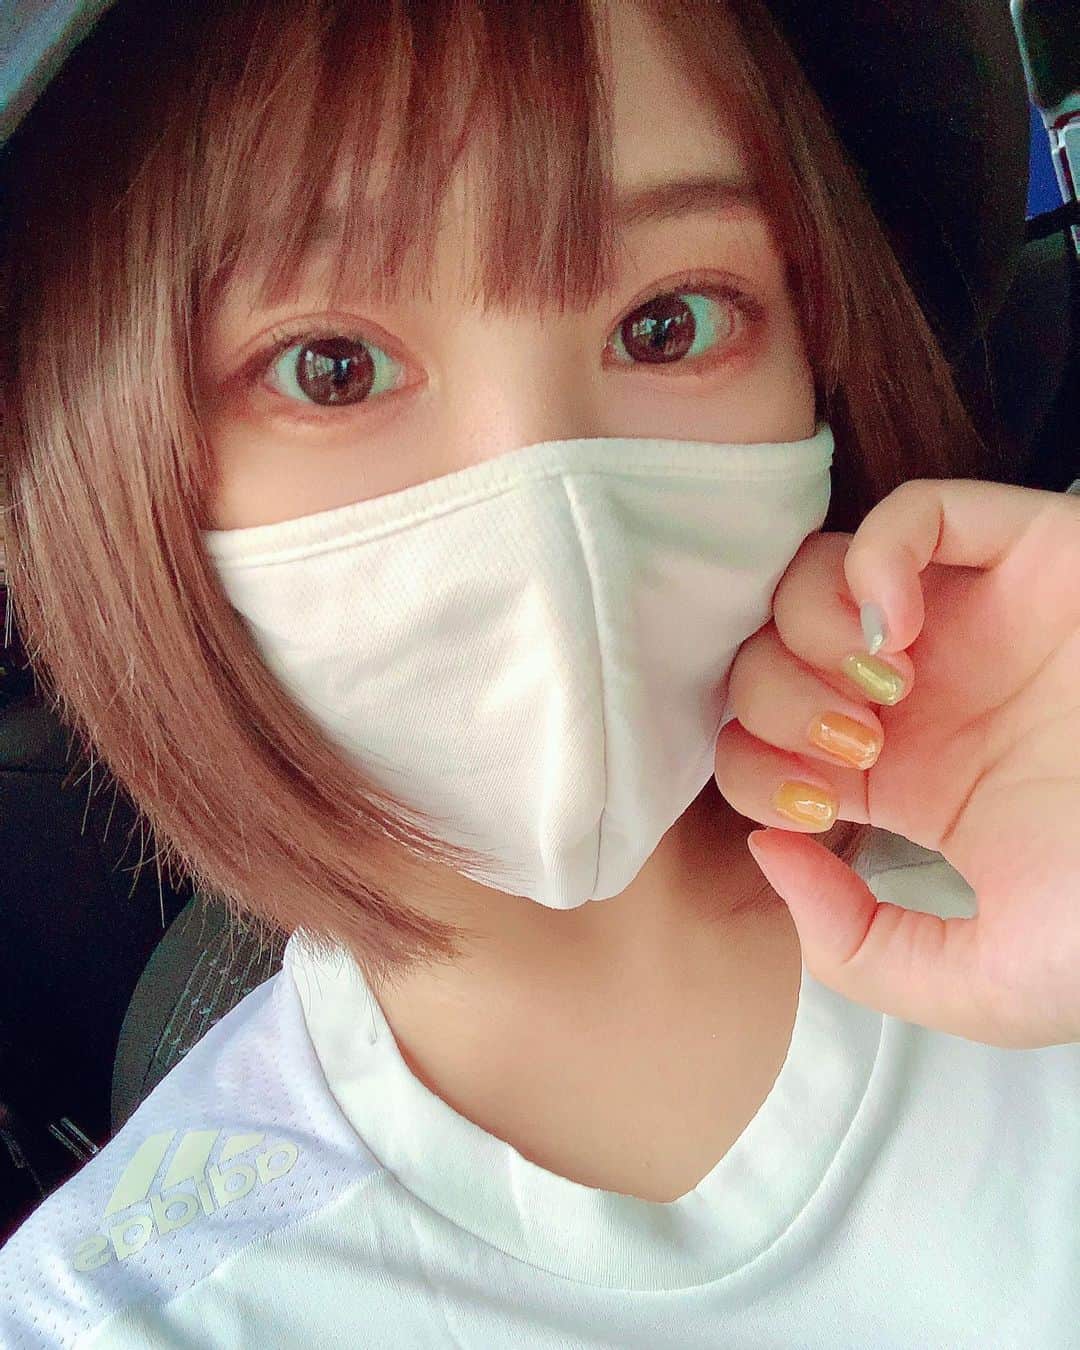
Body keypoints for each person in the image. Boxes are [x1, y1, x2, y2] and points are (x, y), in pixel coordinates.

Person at [0, 0, 1077, 1345]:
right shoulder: (116, 1314)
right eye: (332, 369)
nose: (542, 490)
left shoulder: (1038, 865)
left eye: (669, 323)